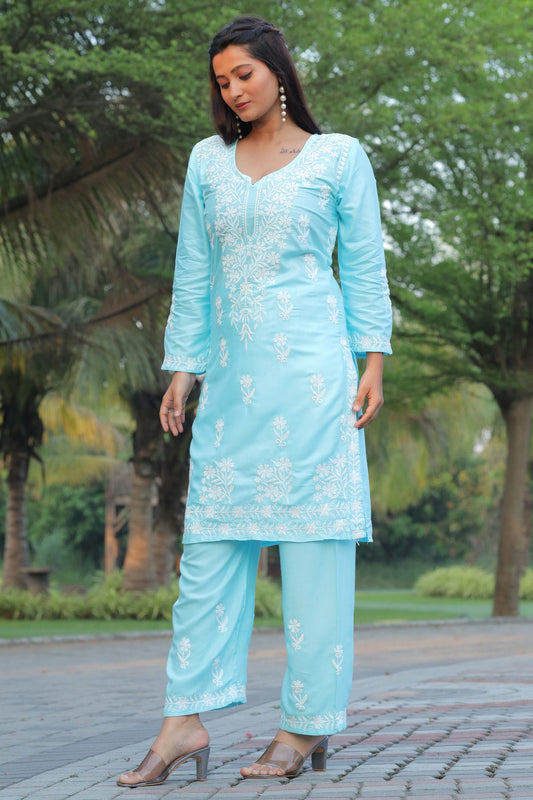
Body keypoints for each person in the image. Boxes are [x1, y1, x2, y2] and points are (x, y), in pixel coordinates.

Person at [117, 14, 392, 787]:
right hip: (233, 389)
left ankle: (304, 724)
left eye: (243, 74)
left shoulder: (337, 157)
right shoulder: (208, 162)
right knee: (209, 550)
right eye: (221, 81)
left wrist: (372, 361)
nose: (233, 90)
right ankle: (184, 720)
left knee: (312, 558)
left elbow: (362, 265)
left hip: (314, 385)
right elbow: (194, 272)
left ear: (277, 70)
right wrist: (183, 368)